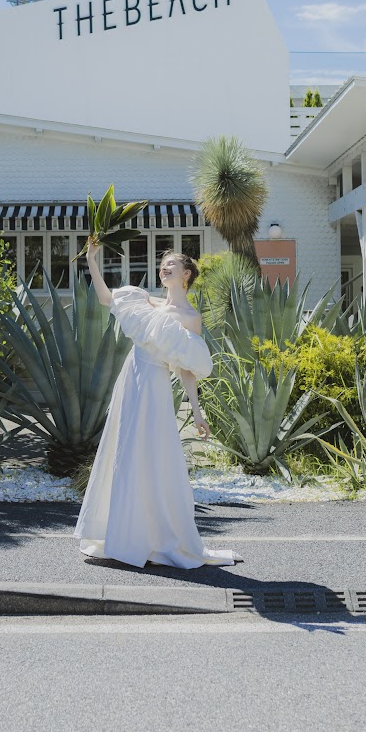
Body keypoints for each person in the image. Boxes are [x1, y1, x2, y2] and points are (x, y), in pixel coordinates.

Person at [73, 242, 241, 568]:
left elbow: (186, 369)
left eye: (171, 265)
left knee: (152, 457)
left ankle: (154, 538)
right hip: (130, 382)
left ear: (186, 274)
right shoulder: (146, 302)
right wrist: (92, 259)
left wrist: (197, 411)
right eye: (163, 265)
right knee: (124, 454)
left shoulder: (191, 318)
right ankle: (123, 535)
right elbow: (106, 298)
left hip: (154, 386)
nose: (164, 268)